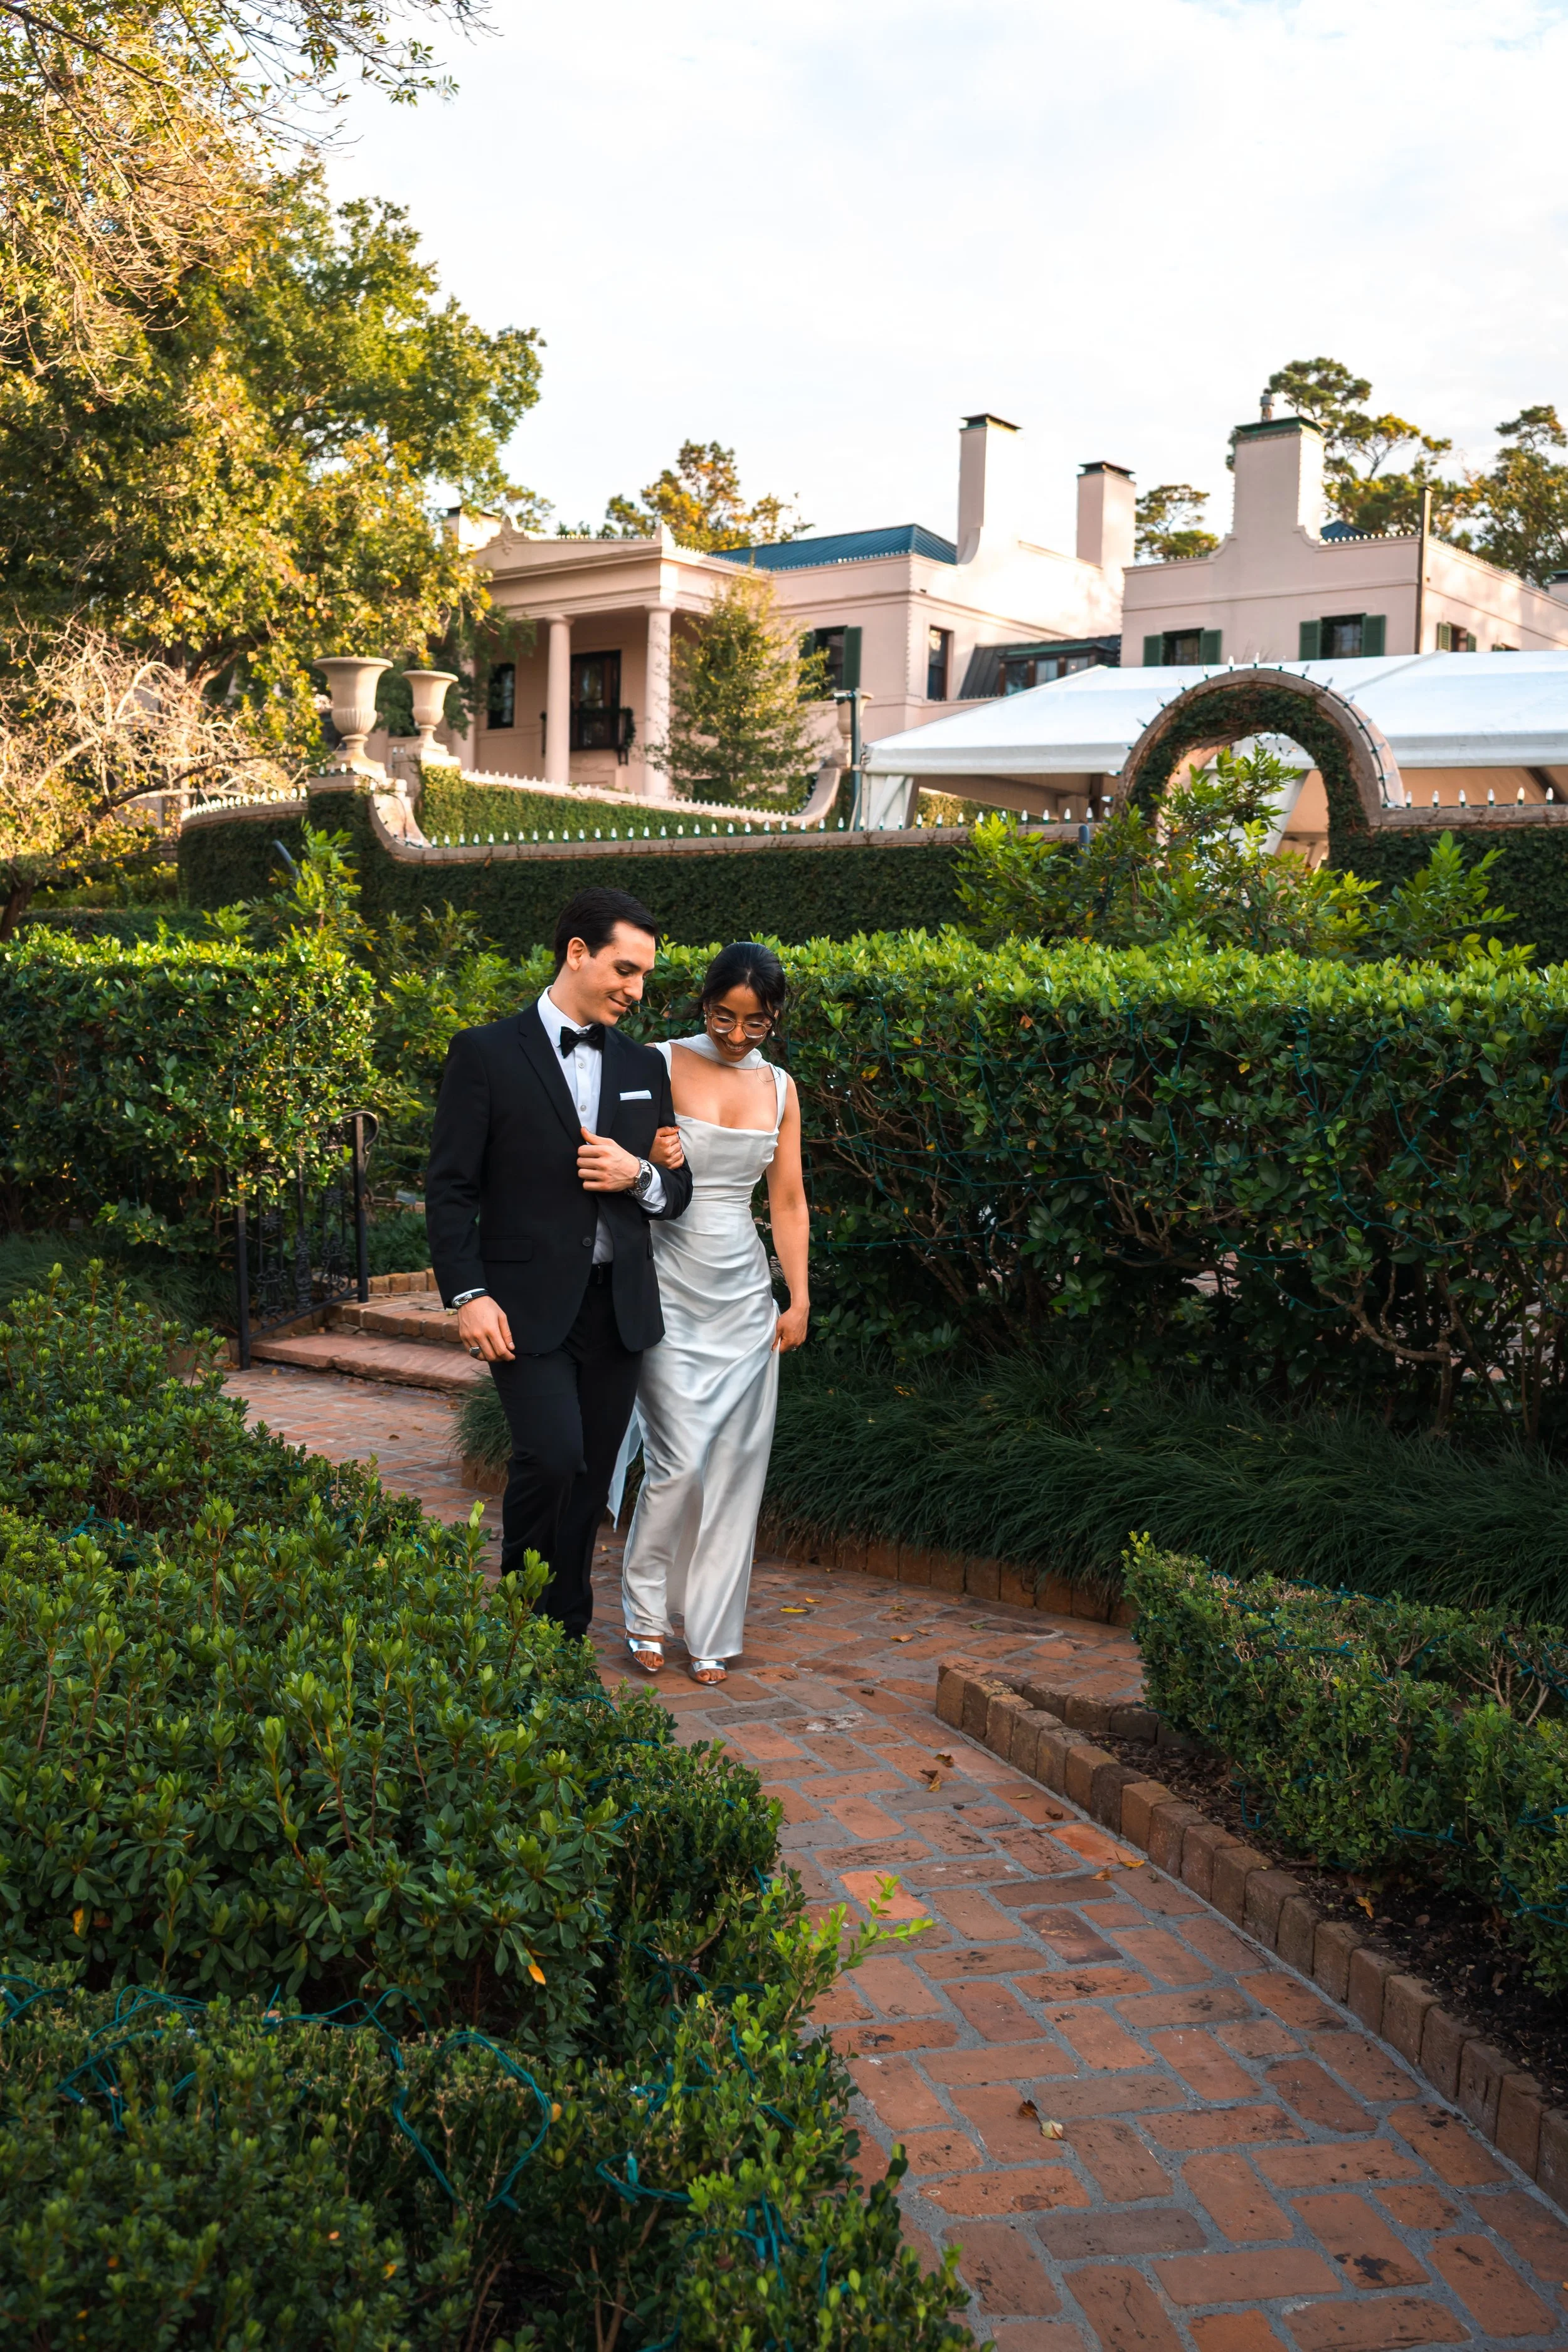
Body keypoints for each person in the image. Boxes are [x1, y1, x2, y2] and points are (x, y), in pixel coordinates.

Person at [424, 887, 694, 1638]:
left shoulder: (645, 1066)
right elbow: (450, 1188)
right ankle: (520, 1620)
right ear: (577, 952)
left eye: (644, 976)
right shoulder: (484, 1053)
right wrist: (468, 1293)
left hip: (618, 1307)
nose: (637, 991)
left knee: (590, 1475)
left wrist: (637, 1174)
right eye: (625, 970)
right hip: (523, 1305)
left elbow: (675, 1192)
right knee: (551, 1457)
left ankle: (562, 1631)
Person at [618, 941, 809, 1685]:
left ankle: (711, 1629)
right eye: (722, 1016)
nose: (734, 1035)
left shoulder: (781, 1089)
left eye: (754, 1023)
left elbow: (786, 1201)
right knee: (677, 1464)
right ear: (703, 1004)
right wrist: (649, 1151)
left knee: (733, 1472)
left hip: (744, 1299)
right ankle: (643, 1615)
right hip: (666, 1286)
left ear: (774, 1018)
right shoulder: (656, 1062)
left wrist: (798, 1298)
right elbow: (610, 1159)